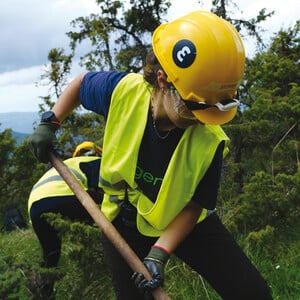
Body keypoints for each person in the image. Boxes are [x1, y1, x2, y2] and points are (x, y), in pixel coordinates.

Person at [28, 10, 272, 300]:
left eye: (211, 109)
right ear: (163, 80)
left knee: (252, 293)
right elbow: (81, 84)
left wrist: (159, 253)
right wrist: (50, 122)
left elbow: (195, 206)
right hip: (121, 220)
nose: (202, 118)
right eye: (194, 106)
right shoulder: (124, 92)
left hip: (182, 217)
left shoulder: (209, 139)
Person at [28, 141, 103, 271]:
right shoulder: (94, 161)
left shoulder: (65, 165)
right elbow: (101, 187)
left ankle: (43, 287)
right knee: (110, 205)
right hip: (65, 196)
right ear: (98, 153)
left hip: (35, 206)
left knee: (51, 252)